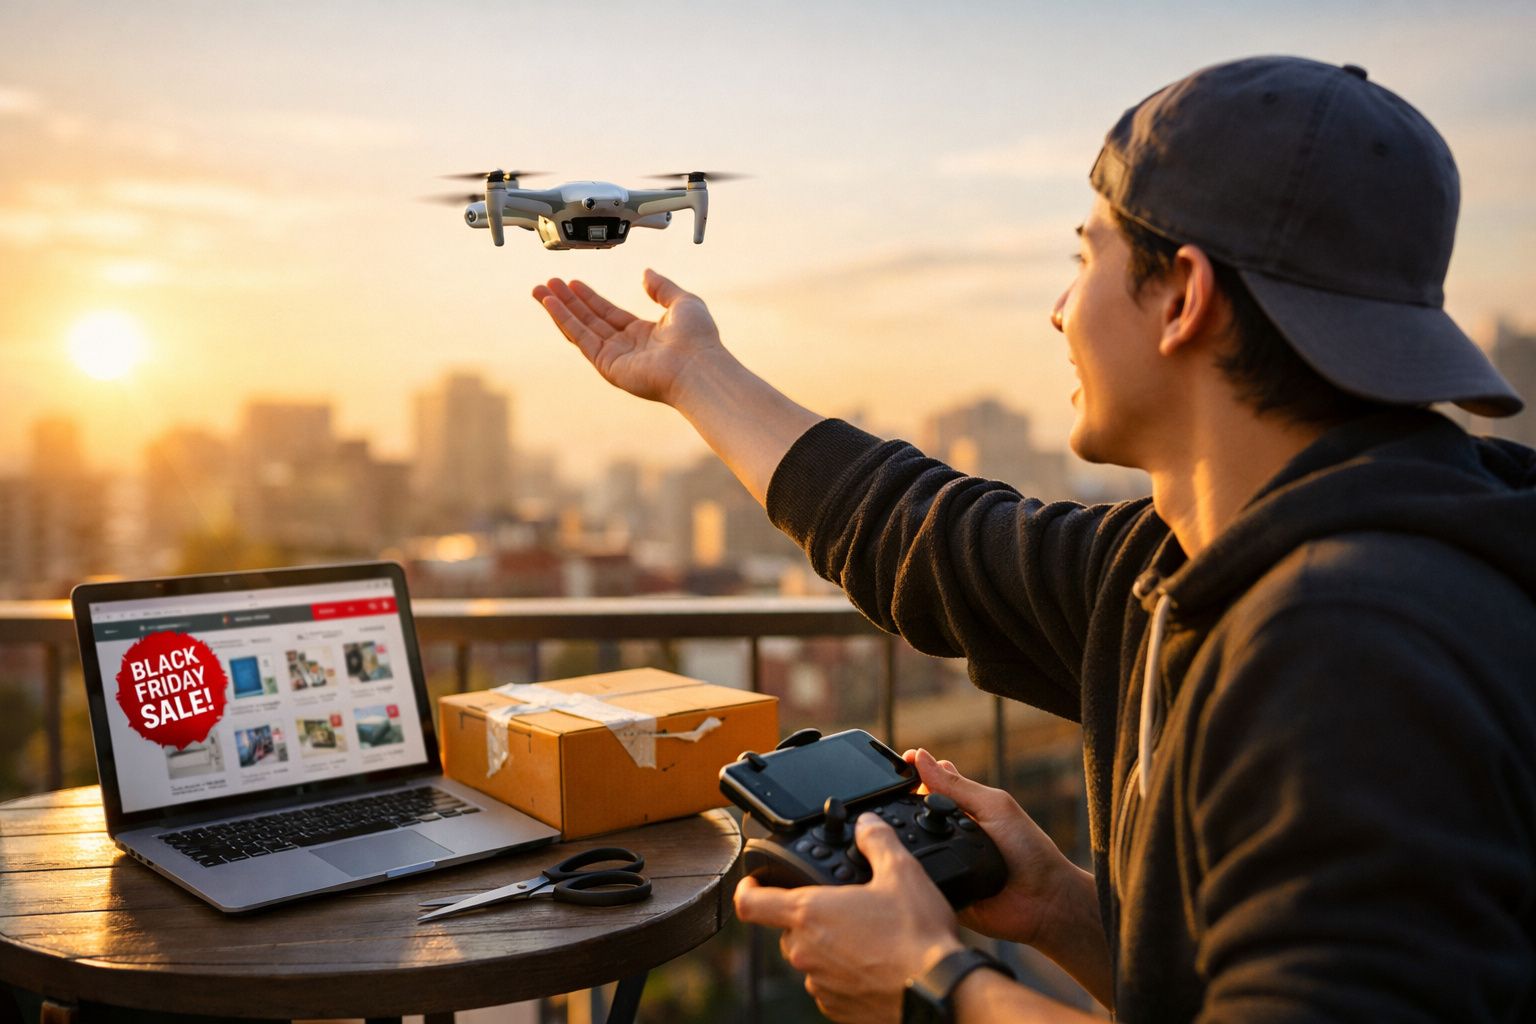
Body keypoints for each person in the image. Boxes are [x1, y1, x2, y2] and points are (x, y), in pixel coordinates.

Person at [532, 56, 1536, 1023]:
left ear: (1184, 298)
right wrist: (1064, 910)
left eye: (1084, 257)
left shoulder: (1350, 651)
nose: (1059, 311)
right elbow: (916, 531)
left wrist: (935, 987)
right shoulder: (1178, 566)